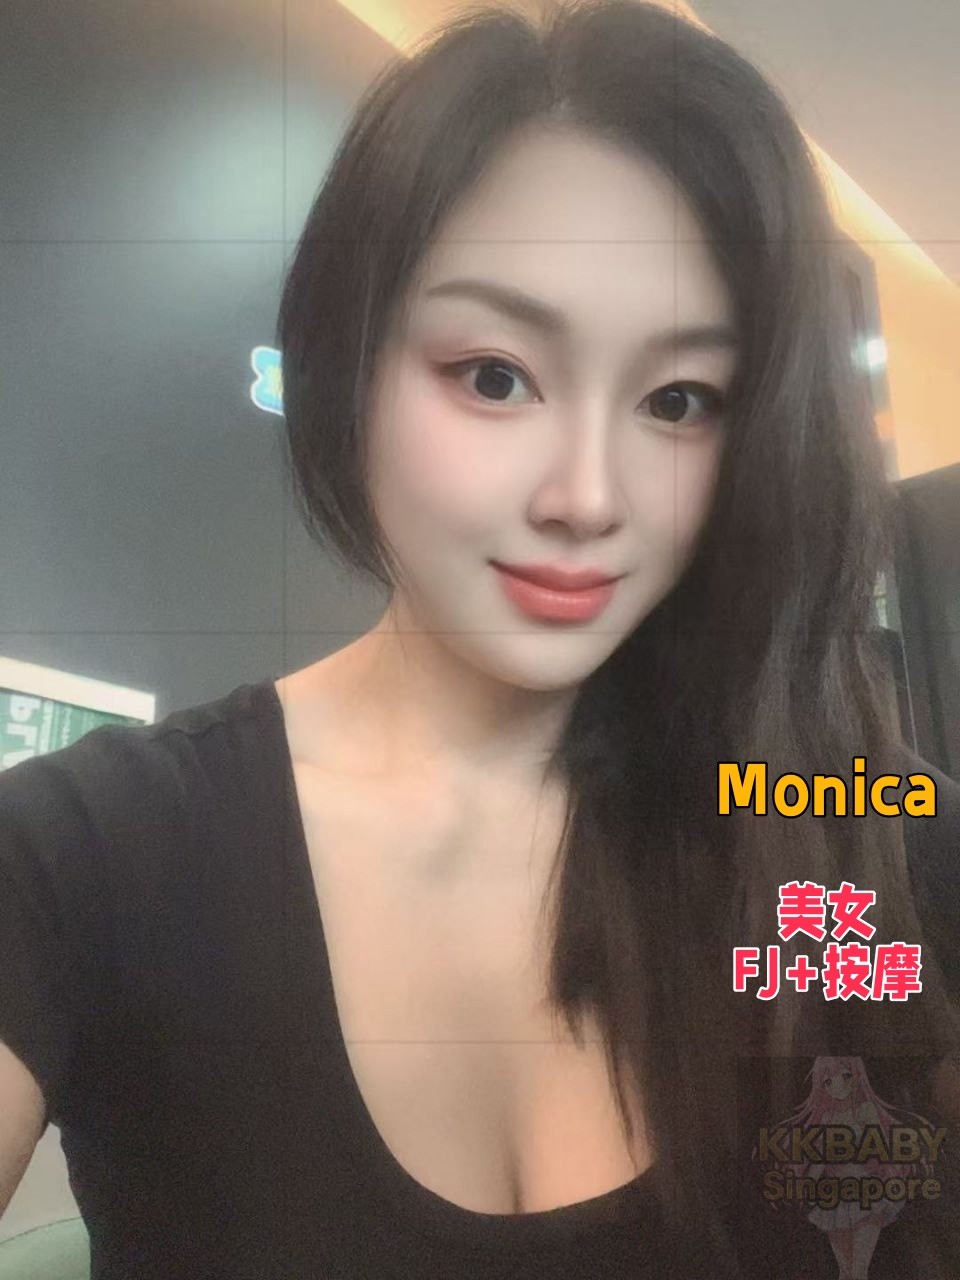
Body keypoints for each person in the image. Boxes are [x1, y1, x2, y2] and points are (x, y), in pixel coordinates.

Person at [1, 1, 958, 1276]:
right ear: (350, 361)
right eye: (496, 375)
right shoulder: (88, 854)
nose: (587, 495)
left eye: (678, 400)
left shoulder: (868, 836)